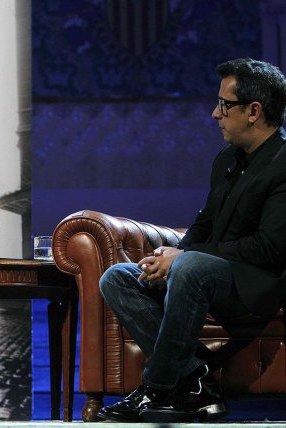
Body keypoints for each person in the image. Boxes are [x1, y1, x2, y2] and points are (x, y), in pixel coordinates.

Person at [97, 58, 286, 423]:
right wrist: (174, 252)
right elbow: (203, 224)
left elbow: (269, 249)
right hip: (210, 273)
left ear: (254, 111)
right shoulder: (227, 160)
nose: (215, 114)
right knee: (119, 278)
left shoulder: (282, 163)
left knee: (191, 266)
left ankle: (157, 388)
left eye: (224, 105)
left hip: (259, 283)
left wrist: (186, 257)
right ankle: (196, 381)